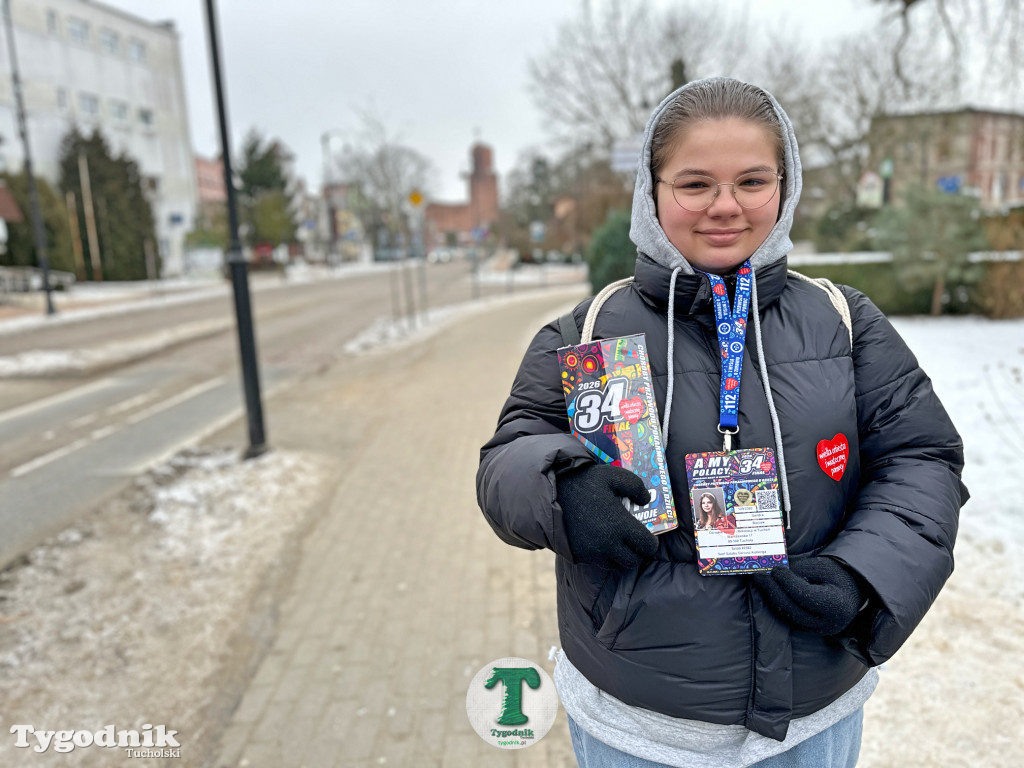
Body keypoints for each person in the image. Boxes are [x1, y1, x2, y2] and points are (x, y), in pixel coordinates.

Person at [476, 77, 967, 768]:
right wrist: (564, 489)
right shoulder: (586, 330)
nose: (726, 207)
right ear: (653, 192)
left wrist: (863, 576)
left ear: (785, 187)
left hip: (811, 720)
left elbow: (922, 459)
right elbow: (508, 458)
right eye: (695, 183)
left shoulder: (845, 322)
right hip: (636, 724)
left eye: (752, 181)